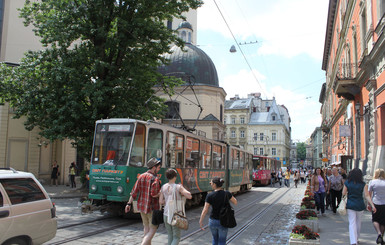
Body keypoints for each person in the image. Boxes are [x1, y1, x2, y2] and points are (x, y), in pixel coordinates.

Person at [125, 158, 162, 245]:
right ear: (154, 167)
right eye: (158, 167)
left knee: (146, 228)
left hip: (141, 207)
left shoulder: (141, 176)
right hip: (152, 207)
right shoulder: (155, 179)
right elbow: (154, 194)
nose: (159, 169)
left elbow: (134, 192)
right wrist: (161, 193)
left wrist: (128, 203)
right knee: (153, 228)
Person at [199, 177, 237, 245]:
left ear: (214, 184)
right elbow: (235, 202)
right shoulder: (226, 193)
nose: (211, 185)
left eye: (211, 183)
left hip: (213, 221)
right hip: (224, 221)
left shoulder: (210, 195)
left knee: (215, 239)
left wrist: (201, 221)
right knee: (222, 241)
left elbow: (205, 209)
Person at [342, 168, 375, 245]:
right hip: (360, 204)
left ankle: (353, 241)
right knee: (358, 222)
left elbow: (343, 193)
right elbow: (367, 196)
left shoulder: (347, 183)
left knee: (352, 222)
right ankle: (356, 238)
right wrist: (372, 205)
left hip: (350, 204)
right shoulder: (363, 184)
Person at [159, 169, 192, 245]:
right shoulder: (178, 187)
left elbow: (161, 201)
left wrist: (168, 201)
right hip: (175, 214)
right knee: (176, 237)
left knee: (170, 235)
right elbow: (189, 196)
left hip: (166, 214)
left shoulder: (163, 187)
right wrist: (182, 189)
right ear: (175, 177)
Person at [368, 168, 385, 244]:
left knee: (375, 219)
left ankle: (379, 233)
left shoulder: (372, 182)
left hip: (375, 203)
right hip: (384, 203)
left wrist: (369, 204)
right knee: (383, 221)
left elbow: (369, 194)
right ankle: (381, 236)